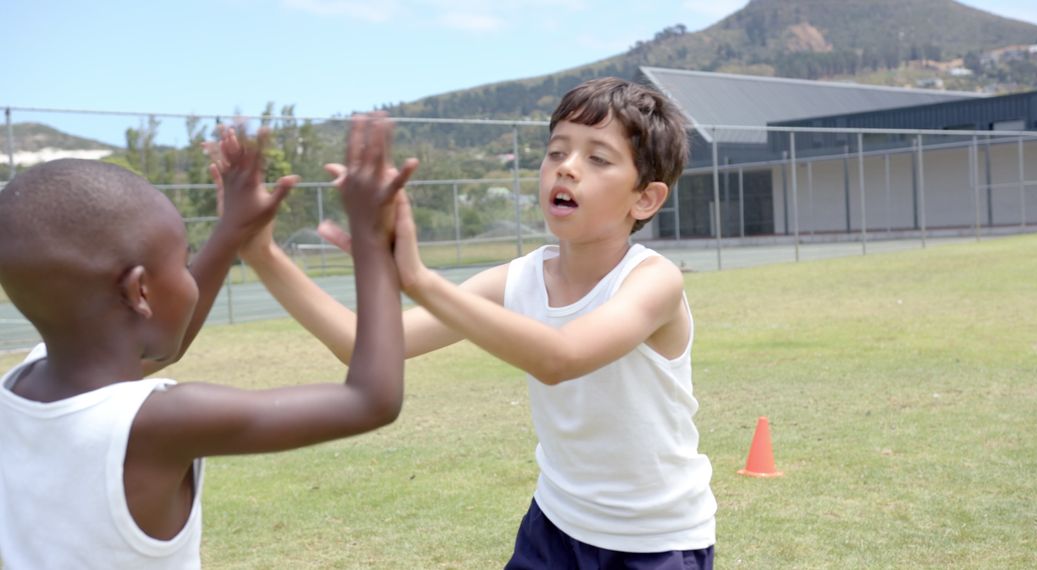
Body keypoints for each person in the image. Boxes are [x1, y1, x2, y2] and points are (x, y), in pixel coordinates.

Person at [240, 77, 717, 569]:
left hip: (653, 543)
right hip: (555, 526)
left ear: (645, 199)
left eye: (598, 158)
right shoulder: (518, 279)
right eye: (556, 152)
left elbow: (561, 357)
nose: (567, 168)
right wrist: (262, 254)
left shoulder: (653, 281)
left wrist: (419, 280)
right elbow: (363, 345)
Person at [0, 115, 413, 569]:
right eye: (184, 262)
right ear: (140, 292)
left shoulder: (21, 386)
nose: (191, 279)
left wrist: (233, 228)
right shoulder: (159, 422)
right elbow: (371, 400)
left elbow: (161, 346)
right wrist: (373, 239)